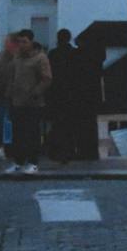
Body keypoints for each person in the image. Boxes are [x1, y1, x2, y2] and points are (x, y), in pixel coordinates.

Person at [2, 29, 52, 175]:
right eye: (20, 42)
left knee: (32, 134)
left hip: (33, 103)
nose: (22, 45)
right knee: (18, 134)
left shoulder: (40, 58)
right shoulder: (17, 58)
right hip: (17, 102)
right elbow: (12, 78)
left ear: (31, 42)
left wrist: (35, 93)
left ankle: (33, 162)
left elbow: (47, 78)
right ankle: (18, 161)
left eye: (25, 42)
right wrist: (9, 96)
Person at [45, 29, 81, 162]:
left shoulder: (53, 54)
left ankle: (57, 151)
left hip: (56, 95)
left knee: (57, 124)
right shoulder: (75, 54)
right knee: (70, 125)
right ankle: (70, 151)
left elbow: (49, 75)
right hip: (71, 95)